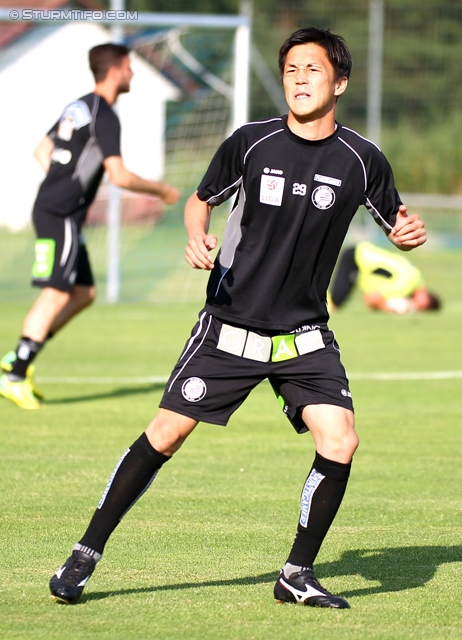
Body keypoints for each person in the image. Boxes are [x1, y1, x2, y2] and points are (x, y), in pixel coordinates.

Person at [48, 27, 427, 608]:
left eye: (313, 70)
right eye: (292, 70)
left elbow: (395, 220)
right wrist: (197, 235)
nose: (300, 80)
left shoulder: (362, 159)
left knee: (341, 439)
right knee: (167, 434)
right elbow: (201, 200)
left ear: (340, 82)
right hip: (231, 324)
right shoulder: (250, 143)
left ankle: (296, 573)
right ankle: (86, 552)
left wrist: (406, 234)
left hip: (303, 334)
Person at [0, 43, 180, 410]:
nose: (132, 73)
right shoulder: (106, 114)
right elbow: (119, 175)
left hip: (55, 208)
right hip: (61, 213)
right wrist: (161, 189)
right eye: (129, 67)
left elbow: (41, 150)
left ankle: (20, 354)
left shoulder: (79, 105)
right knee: (55, 294)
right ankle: (15, 373)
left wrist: (61, 182)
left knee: (84, 293)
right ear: (114, 71)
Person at [330, 241, 440, 313]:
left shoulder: (416, 275)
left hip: (361, 252)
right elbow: (371, 299)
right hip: (357, 257)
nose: (417, 306)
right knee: (334, 303)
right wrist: (391, 309)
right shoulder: (405, 286)